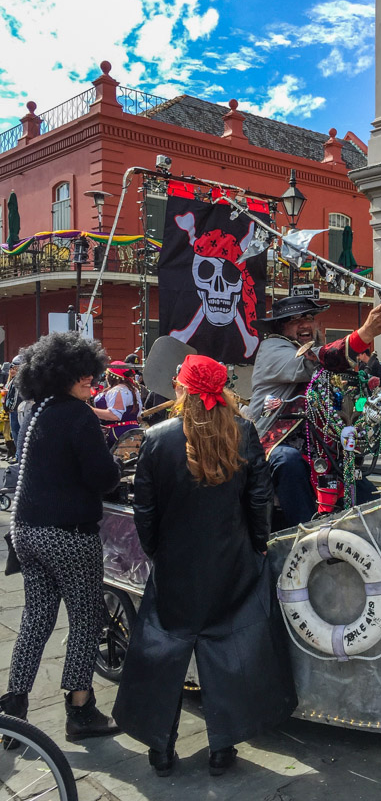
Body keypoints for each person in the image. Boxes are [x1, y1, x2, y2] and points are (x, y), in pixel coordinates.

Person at [113, 354, 296, 777]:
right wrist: (257, 546)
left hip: (177, 563)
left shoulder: (157, 437)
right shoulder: (244, 430)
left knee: (164, 652)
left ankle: (161, 748)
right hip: (231, 561)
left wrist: (159, 552)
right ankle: (222, 747)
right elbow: (258, 500)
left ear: (182, 389)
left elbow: (145, 509)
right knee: (227, 650)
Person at [0, 332, 122, 740]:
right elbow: (103, 479)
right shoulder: (79, 415)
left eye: (91, 370)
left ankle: (13, 708)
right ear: (60, 373)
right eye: (81, 372)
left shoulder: (41, 409)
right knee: (86, 618)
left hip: (26, 530)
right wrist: (117, 459)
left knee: (36, 618)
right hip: (67, 535)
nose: (89, 377)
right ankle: (80, 710)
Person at [247, 297, 381, 527]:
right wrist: (364, 334)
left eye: (309, 318)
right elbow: (312, 362)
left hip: (323, 451)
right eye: (295, 320)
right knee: (289, 462)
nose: (305, 324)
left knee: (370, 500)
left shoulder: (326, 364)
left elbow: (347, 400)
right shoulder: (273, 348)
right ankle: (306, 536)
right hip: (276, 445)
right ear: (280, 328)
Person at [91, 361, 143, 448]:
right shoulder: (133, 389)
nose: (106, 377)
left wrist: (90, 410)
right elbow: (138, 415)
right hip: (134, 432)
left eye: (107, 375)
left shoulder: (118, 390)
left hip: (118, 434)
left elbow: (115, 415)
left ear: (112, 376)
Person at [358, 349, 381, 452]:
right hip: (364, 396)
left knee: (379, 420)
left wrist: (372, 381)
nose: (358, 357)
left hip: (375, 397)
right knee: (359, 416)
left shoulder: (376, 364)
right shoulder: (361, 365)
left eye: (359, 354)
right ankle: (365, 442)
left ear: (364, 354)